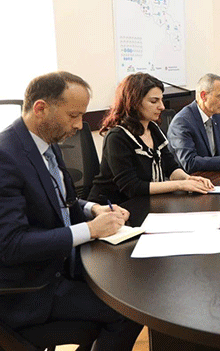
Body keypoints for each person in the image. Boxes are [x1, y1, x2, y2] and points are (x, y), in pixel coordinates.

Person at [0, 71, 142, 349]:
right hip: (31, 290)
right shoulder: (5, 157)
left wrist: (93, 209)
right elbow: (11, 245)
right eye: (73, 115)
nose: (79, 125)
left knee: (132, 291)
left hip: (61, 267)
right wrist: (89, 230)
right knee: (129, 311)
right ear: (41, 108)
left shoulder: (46, 143)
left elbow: (59, 200)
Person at [88, 73, 212, 205]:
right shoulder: (117, 137)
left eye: (161, 100)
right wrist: (180, 185)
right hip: (113, 207)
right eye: (154, 101)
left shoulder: (153, 129)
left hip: (145, 202)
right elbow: (132, 187)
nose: (162, 106)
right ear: (134, 103)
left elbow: (171, 167)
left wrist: (188, 179)